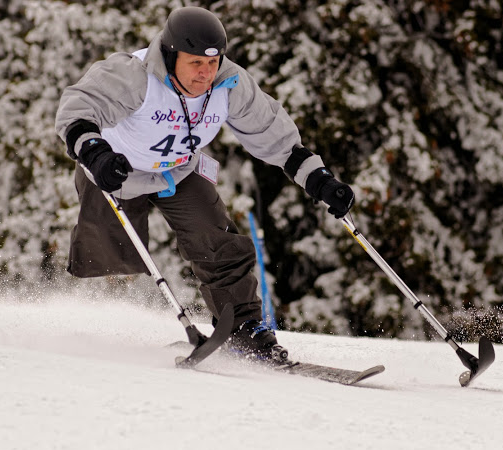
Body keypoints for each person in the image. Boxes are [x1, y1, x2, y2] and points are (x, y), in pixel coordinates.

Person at [55, 6, 354, 360]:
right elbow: (78, 106)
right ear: (170, 55)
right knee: (106, 258)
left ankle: (245, 329)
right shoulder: (134, 75)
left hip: (179, 171)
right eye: (195, 62)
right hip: (117, 171)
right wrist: (95, 153)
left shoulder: (229, 84)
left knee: (218, 241)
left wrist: (317, 178)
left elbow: (271, 132)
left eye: (213, 63)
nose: (206, 73)